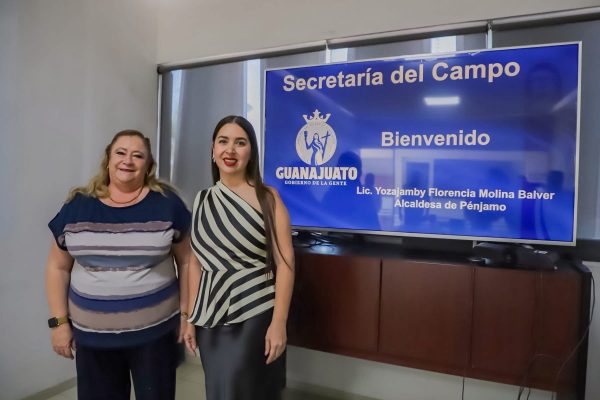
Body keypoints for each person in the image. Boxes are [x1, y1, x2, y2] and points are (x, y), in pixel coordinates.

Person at [45, 130, 191, 400]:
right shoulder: (78, 205)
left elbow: (187, 262)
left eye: (138, 155)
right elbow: (57, 267)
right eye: (121, 153)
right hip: (92, 338)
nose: (128, 160)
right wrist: (59, 323)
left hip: (155, 335)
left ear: (149, 165)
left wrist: (186, 316)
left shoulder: (167, 204)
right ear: (108, 159)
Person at [183, 115, 295, 400]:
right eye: (223, 141)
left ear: (251, 151)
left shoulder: (268, 197)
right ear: (213, 149)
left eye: (240, 142)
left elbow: (286, 264)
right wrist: (191, 317)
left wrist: (279, 322)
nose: (230, 150)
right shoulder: (202, 199)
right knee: (218, 390)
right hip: (210, 315)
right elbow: (195, 262)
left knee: (243, 390)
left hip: (254, 312)